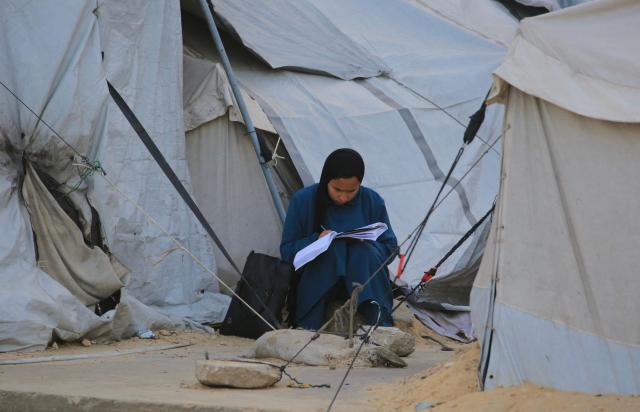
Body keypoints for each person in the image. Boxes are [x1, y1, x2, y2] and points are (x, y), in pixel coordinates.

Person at [280, 148, 398, 330]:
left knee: (363, 252)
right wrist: (316, 240)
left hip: (362, 278)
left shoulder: (372, 201)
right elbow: (287, 251)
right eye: (337, 190)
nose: (343, 197)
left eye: (351, 191)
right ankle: (307, 325)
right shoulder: (303, 200)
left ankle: (379, 323)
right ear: (326, 180)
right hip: (320, 280)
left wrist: (368, 245)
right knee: (331, 250)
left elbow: (390, 249)